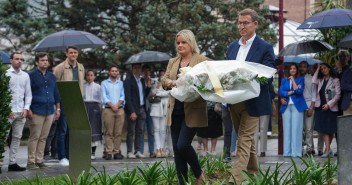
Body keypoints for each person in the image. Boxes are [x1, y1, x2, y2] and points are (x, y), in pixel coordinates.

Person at [225, 8, 275, 184]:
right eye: (239, 22)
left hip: (254, 101)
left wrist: (249, 80)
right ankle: (254, 176)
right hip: (234, 101)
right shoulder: (232, 47)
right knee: (247, 141)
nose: (242, 26)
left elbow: (267, 76)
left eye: (245, 22)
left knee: (243, 140)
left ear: (255, 24)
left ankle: (235, 179)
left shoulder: (265, 47)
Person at [161, 29, 207, 185]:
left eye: (183, 42)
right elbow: (164, 80)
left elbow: (209, 81)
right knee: (177, 150)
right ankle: (183, 182)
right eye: (178, 43)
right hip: (175, 110)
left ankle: (198, 173)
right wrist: (171, 82)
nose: (180, 45)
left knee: (183, 145)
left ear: (191, 43)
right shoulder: (173, 62)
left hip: (193, 110)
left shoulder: (201, 60)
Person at [27, 52, 61, 169]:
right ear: (37, 62)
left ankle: (39, 160)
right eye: (42, 60)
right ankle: (31, 162)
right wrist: (28, 109)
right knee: (34, 137)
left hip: (49, 111)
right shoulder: (30, 75)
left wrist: (58, 109)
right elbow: (27, 93)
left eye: (46, 60)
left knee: (43, 137)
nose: (45, 62)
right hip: (36, 110)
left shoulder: (52, 76)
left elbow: (56, 93)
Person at [53, 45, 85, 166]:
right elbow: (55, 85)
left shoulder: (81, 67)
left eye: (75, 53)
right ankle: (62, 156)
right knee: (62, 130)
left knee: (72, 130)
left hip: (77, 102)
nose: (73, 55)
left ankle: (69, 155)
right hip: (64, 101)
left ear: (77, 54)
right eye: (71, 53)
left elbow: (82, 85)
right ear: (66, 54)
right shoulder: (60, 67)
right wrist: (58, 105)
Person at [4, 52, 32, 172]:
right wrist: (7, 109)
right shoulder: (5, 74)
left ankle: (12, 163)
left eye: (21, 59)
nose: (19, 61)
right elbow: (2, 94)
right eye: (17, 59)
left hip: (21, 112)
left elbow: (28, 94)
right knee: (3, 137)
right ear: (11, 60)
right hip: (7, 112)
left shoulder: (25, 76)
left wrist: (26, 108)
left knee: (16, 138)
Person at [279, 63, 307, 157]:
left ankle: (296, 153)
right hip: (286, 106)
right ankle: (287, 152)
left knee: (296, 130)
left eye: (294, 68)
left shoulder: (301, 79)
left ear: (297, 70)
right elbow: (281, 92)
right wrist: (291, 92)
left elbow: (299, 91)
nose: (292, 70)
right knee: (286, 130)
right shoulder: (284, 79)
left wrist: (293, 80)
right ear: (288, 70)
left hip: (297, 106)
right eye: (291, 69)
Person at [313, 63, 340, 158]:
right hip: (320, 106)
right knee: (324, 129)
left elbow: (338, 95)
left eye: (325, 68)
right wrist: (317, 69)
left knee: (330, 130)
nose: (323, 70)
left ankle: (327, 149)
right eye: (322, 69)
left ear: (329, 68)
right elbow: (313, 80)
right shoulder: (320, 80)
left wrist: (328, 104)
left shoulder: (335, 80)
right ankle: (328, 149)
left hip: (331, 107)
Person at [124, 63, 151, 159]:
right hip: (133, 110)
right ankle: (129, 151)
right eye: (135, 68)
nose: (137, 69)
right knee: (131, 131)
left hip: (142, 108)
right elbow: (127, 97)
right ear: (132, 69)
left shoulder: (142, 80)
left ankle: (138, 151)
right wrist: (132, 111)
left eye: (138, 68)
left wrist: (148, 87)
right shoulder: (128, 80)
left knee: (140, 131)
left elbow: (144, 95)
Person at [100, 66, 125, 160]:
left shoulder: (120, 83)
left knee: (118, 132)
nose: (114, 72)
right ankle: (108, 152)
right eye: (112, 71)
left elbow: (122, 96)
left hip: (119, 109)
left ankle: (117, 151)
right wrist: (112, 105)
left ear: (117, 72)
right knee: (108, 132)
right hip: (108, 109)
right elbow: (104, 97)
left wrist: (117, 105)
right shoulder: (104, 83)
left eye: (116, 71)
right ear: (109, 72)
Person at [299, 61, 317, 155]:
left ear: (307, 68)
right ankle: (300, 148)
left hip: (309, 104)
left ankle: (309, 148)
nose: (302, 68)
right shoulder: (296, 78)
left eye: (304, 67)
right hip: (298, 105)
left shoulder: (311, 78)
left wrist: (311, 108)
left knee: (309, 129)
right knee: (299, 128)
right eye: (301, 67)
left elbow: (314, 94)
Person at [150, 70, 169, 158]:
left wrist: (159, 93)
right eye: (161, 76)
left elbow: (168, 93)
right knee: (156, 130)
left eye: (163, 75)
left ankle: (162, 148)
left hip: (165, 109)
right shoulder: (155, 84)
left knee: (163, 129)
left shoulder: (169, 84)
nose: (162, 77)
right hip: (155, 109)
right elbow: (153, 93)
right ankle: (158, 149)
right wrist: (157, 88)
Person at [84, 70, 103, 160]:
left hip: (95, 107)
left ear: (94, 77)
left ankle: (93, 152)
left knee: (94, 128)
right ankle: (85, 151)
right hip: (85, 106)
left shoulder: (98, 87)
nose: (89, 77)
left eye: (91, 75)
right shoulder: (83, 87)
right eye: (88, 75)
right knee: (86, 128)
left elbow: (101, 99)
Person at [255, 82, 275, 157]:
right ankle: (259, 150)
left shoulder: (267, 81)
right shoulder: (267, 82)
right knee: (259, 130)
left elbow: (272, 94)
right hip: (260, 107)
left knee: (260, 130)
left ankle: (259, 150)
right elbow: (272, 94)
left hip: (262, 107)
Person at [140, 65, 156, 158]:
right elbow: (143, 94)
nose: (147, 73)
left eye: (148, 71)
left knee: (151, 131)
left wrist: (153, 88)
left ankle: (151, 150)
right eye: (145, 71)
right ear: (142, 72)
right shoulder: (141, 81)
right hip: (143, 107)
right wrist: (148, 87)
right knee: (141, 130)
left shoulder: (153, 81)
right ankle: (141, 151)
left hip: (151, 107)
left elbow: (156, 93)